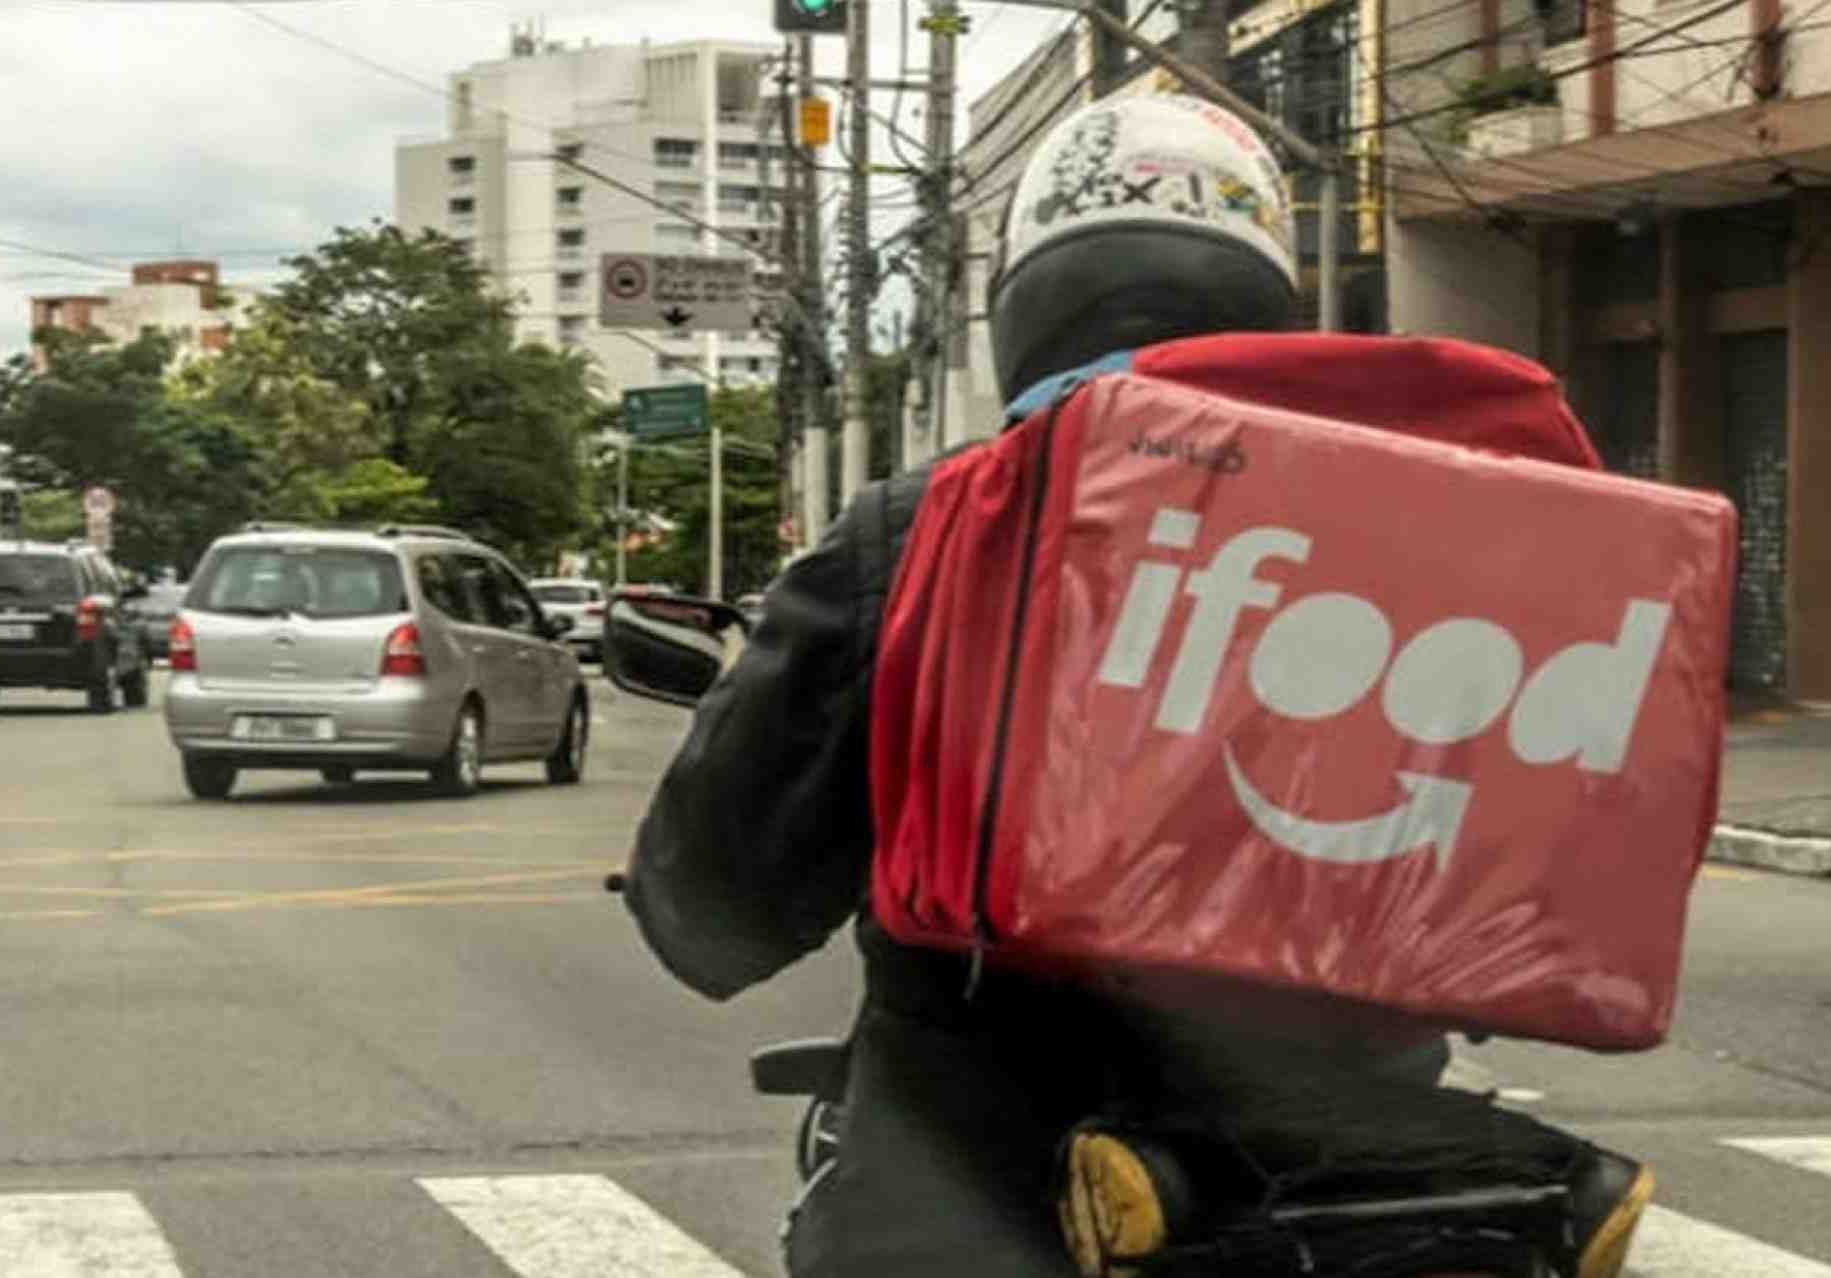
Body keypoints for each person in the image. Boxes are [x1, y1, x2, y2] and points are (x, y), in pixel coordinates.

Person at [621, 94, 1651, 1278]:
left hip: (977, 1200)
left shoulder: (928, 532)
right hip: (1360, 1203)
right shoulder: (1434, 541)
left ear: (1028, 302)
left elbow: (709, 910)